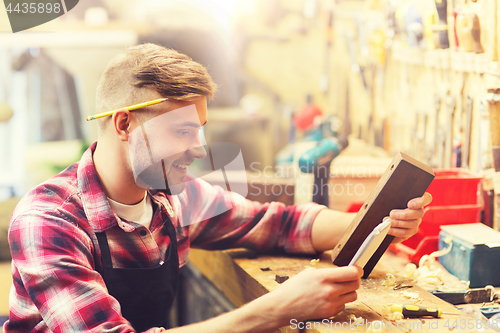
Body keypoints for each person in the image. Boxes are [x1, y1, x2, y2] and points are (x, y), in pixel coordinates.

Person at [5, 43, 432, 333]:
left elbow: (278, 224)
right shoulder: (48, 220)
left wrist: (379, 223)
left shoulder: (173, 200)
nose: (199, 147)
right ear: (123, 123)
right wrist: (275, 309)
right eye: (183, 131)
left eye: (201, 130)